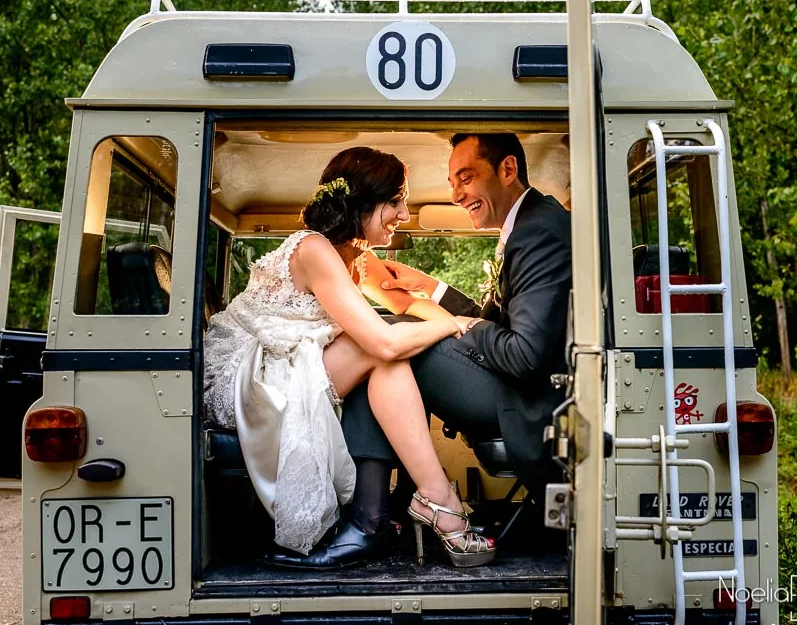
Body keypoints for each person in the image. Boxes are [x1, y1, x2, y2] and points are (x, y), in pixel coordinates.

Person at [271, 133, 572, 569]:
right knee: (383, 340)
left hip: (529, 400)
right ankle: (402, 505)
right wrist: (439, 300)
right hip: (517, 384)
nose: (456, 193)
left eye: (465, 177)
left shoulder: (539, 231)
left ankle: (379, 514)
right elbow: (496, 323)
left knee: (388, 339)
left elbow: (522, 352)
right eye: (453, 181)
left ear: (507, 170)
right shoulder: (531, 225)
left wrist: (449, 324)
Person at [203, 146, 495, 567]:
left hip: (290, 362)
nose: (404, 214)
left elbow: (405, 305)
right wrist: (450, 327)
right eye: (395, 202)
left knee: (387, 352)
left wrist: (462, 323)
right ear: (363, 203)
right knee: (382, 348)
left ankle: (417, 504)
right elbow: (386, 342)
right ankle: (437, 498)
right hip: (251, 375)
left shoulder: (356, 256)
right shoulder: (315, 249)